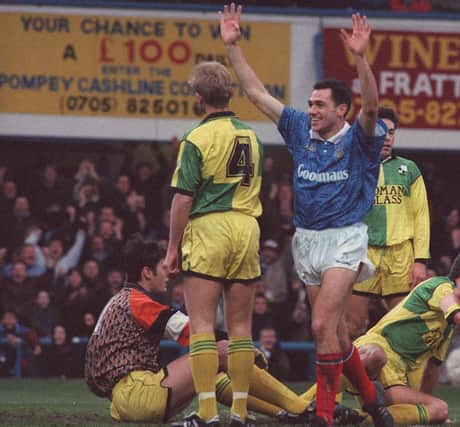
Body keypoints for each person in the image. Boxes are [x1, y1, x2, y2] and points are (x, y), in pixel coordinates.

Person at [220, 4, 392, 426]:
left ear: (340, 111)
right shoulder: (299, 129)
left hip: (345, 238)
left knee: (319, 325)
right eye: (311, 104)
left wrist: (359, 57)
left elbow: (371, 106)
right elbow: (257, 94)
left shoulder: (361, 138)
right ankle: (372, 401)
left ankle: (326, 416)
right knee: (335, 334)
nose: (312, 109)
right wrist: (233, 47)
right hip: (307, 240)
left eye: (320, 105)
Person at [85, 236, 312, 426]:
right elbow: (195, 333)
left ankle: (285, 413)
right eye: (164, 268)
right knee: (219, 351)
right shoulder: (137, 301)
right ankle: (300, 406)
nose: (169, 274)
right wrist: (242, 349)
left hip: (124, 400)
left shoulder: (120, 300)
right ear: (147, 272)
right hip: (139, 394)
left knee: (209, 373)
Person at [164, 58, 263, 427]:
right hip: (247, 226)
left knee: (203, 324)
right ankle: (238, 412)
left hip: (211, 227)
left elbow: (183, 198)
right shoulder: (251, 135)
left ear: (199, 96)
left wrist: (173, 247)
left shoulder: (196, 138)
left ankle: (207, 413)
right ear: (231, 93)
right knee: (241, 328)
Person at [302, 250, 460, 425]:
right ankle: (304, 405)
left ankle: (356, 417)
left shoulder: (446, 327)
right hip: (374, 350)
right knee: (376, 356)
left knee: (440, 410)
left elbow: (433, 369)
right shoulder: (441, 287)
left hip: (394, 378)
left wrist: (424, 410)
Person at [347, 106, 430, 339]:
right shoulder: (353, 166)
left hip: (401, 255)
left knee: (400, 329)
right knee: (352, 327)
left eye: (391, 132)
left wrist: (420, 260)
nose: (387, 137)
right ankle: (354, 377)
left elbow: (421, 217)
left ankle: (394, 377)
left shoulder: (409, 169)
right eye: (381, 131)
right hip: (362, 254)